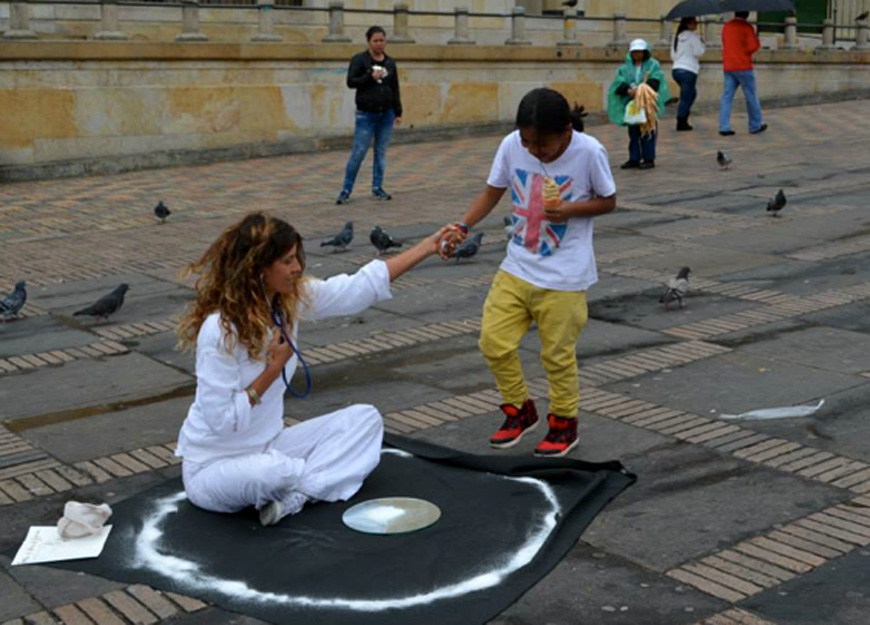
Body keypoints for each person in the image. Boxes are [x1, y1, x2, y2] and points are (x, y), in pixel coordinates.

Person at [175, 212, 446, 526]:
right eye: (288, 261)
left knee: (365, 419)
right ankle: (314, 481)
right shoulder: (220, 330)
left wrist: (427, 247)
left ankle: (299, 495)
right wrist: (271, 370)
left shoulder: (286, 301)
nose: (298, 268)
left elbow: (357, 289)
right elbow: (221, 422)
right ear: (259, 268)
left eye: (296, 258)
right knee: (273, 472)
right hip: (213, 467)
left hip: (268, 445)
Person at [440, 88, 616, 458]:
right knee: (493, 341)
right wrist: (462, 226)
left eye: (543, 144)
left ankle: (564, 424)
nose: (534, 150)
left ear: (567, 130)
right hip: (517, 265)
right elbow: (492, 191)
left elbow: (608, 200)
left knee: (557, 355)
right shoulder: (511, 145)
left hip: (565, 276)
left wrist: (569, 210)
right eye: (528, 142)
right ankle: (520, 409)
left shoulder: (588, 152)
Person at [336, 26, 403, 205]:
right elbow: (351, 82)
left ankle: (377, 187)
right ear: (369, 42)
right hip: (366, 115)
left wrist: (398, 111)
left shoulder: (390, 63)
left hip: (386, 114)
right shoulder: (360, 60)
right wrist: (369, 76)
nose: (379, 44)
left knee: (381, 153)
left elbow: (394, 87)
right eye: (376, 41)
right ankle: (346, 189)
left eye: (382, 40)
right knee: (358, 152)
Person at [607, 39, 670, 170]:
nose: (637, 54)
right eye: (634, 52)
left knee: (648, 131)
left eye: (639, 52)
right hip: (633, 105)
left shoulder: (653, 65)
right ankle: (634, 158)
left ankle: (649, 158)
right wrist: (628, 90)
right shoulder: (624, 68)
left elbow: (656, 81)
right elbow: (618, 84)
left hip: (647, 105)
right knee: (633, 132)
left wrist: (642, 90)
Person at [719, 11, 767, 136]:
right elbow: (751, 47)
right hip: (743, 65)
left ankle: (724, 126)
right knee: (751, 96)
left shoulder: (727, 26)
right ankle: (755, 125)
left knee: (727, 97)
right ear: (747, 15)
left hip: (729, 66)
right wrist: (757, 41)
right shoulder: (747, 27)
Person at [670, 17, 706, 131]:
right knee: (686, 97)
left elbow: (673, 56)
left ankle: (684, 116)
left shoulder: (676, 38)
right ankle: (681, 120)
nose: (696, 24)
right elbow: (699, 52)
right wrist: (702, 44)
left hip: (676, 69)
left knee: (691, 94)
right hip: (689, 70)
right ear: (688, 24)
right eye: (694, 22)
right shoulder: (692, 37)